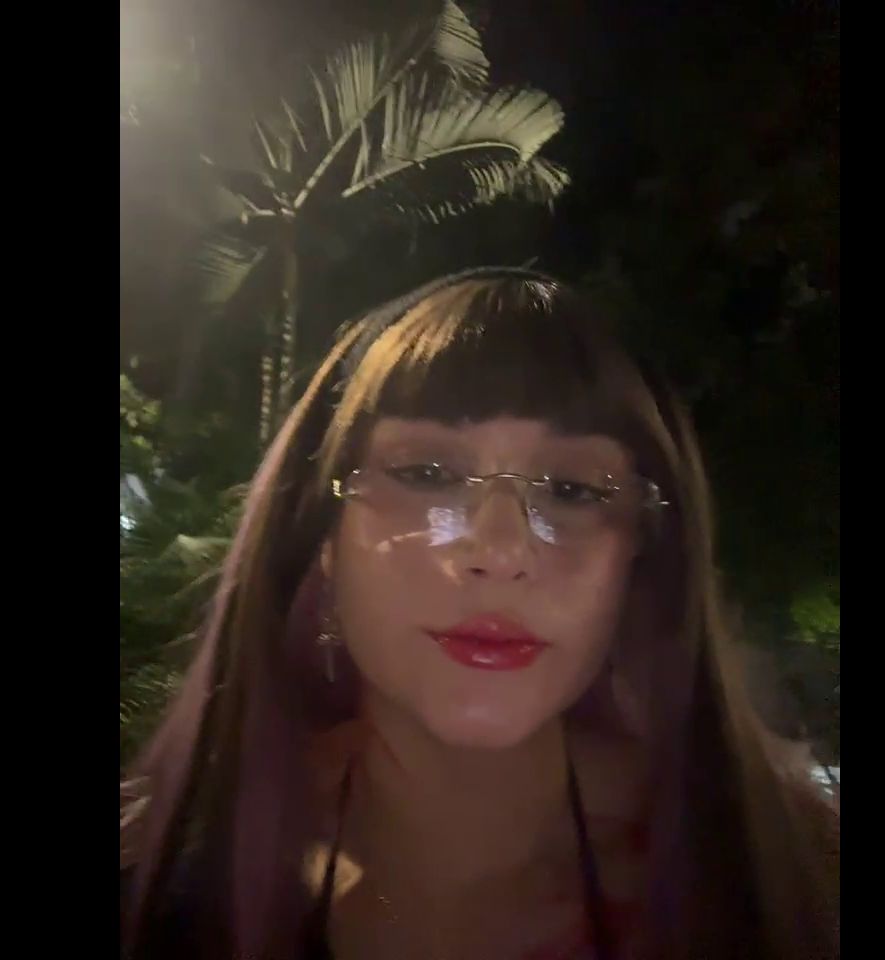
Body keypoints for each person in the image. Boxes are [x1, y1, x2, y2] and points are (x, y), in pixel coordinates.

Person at [120, 267, 839, 960]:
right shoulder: (164, 866)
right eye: (426, 474)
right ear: (323, 538)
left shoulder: (787, 876)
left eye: (571, 490)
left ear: (640, 559)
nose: (499, 551)